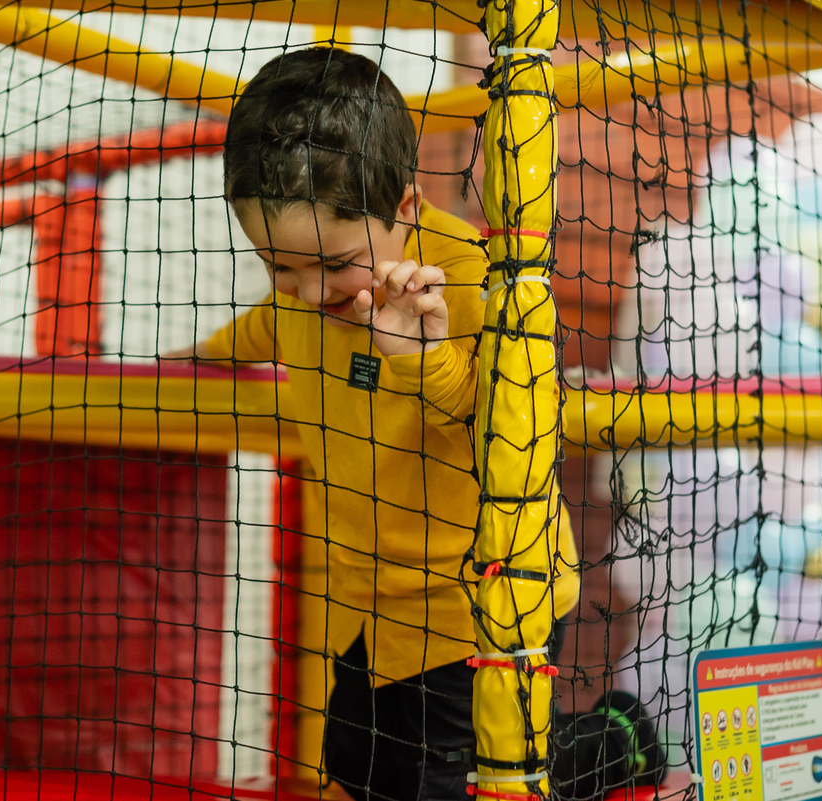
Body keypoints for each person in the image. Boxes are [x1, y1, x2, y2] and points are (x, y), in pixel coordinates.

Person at [165, 46, 666, 801]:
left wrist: (417, 353)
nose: (308, 290)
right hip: (370, 603)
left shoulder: (471, 280)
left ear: (402, 206)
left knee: (468, 782)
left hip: (479, 604)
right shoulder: (303, 298)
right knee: (361, 768)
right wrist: (181, 363)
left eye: (333, 264)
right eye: (280, 267)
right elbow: (266, 329)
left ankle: (619, 737)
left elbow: (510, 434)